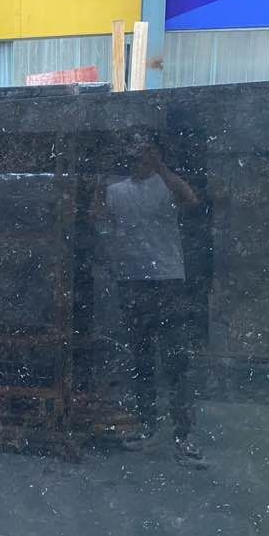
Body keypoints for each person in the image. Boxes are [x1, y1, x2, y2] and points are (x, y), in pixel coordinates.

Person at [97, 132, 207, 468]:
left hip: (168, 281)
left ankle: (183, 436)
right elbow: (97, 218)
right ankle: (147, 427)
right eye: (135, 150)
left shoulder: (166, 183)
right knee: (141, 358)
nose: (140, 155)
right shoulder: (116, 189)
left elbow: (192, 200)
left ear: (157, 152)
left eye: (147, 149)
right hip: (132, 282)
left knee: (176, 360)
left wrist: (160, 167)